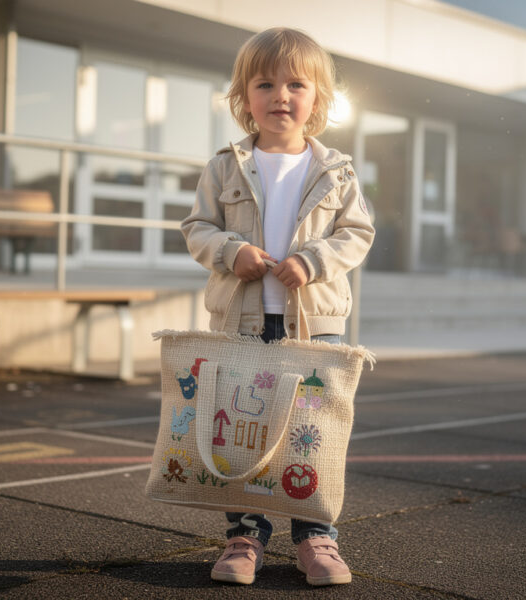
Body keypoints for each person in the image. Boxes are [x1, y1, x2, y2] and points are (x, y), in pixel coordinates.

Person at [180, 28, 375, 586]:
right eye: (265, 83)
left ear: (318, 98)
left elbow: (357, 232)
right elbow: (196, 228)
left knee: (311, 434)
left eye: (296, 83)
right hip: (242, 322)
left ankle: (316, 538)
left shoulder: (335, 169)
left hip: (315, 327)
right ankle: (244, 535)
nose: (281, 95)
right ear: (245, 97)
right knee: (241, 430)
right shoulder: (224, 166)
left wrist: (312, 261)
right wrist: (229, 250)